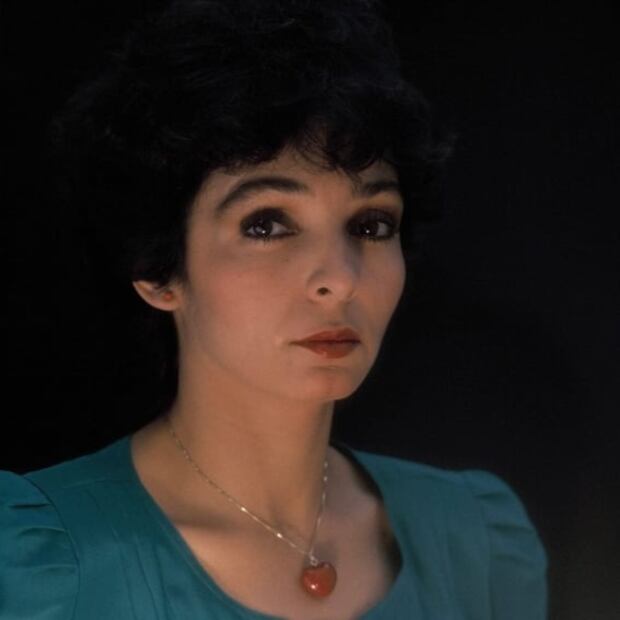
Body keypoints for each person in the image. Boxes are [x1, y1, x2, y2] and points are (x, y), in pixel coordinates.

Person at [0, 0, 547, 618]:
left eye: (371, 224)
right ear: (158, 270)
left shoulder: (477, 544)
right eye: (266, 225)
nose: (340, 279)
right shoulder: (38, 566)